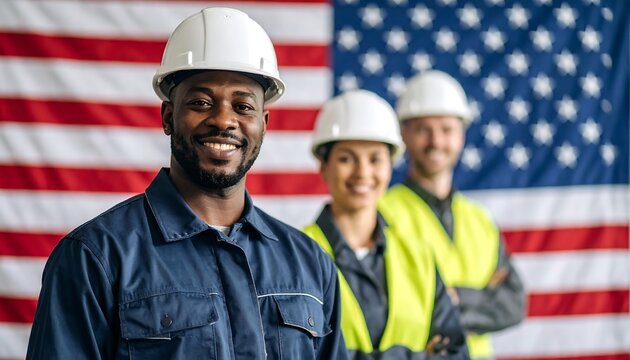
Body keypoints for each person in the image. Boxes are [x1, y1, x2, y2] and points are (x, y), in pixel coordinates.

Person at [26, 7, 347, 359]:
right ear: (168, 116)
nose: (224, 120)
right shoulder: (95, 257)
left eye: (243, 106)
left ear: (264, 124)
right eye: (201, 102)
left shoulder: (309, 263)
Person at [302, 89, 469, 359]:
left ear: (390, 166)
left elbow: (455, 352)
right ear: (324, 166)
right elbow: (298, 352)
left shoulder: (419, 256)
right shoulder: (296, 256)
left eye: (375, 159)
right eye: (346, 158)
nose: (363, 173)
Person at [379, 70, 526, 360]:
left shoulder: (480, 219)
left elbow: (513, 304)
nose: (436, 141)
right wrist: (482, 295)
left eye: (446, 129)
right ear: (404, 134)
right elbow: (387, 305)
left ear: (461, 135)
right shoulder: (380, 213)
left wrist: (450, 296)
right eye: (423, 129)